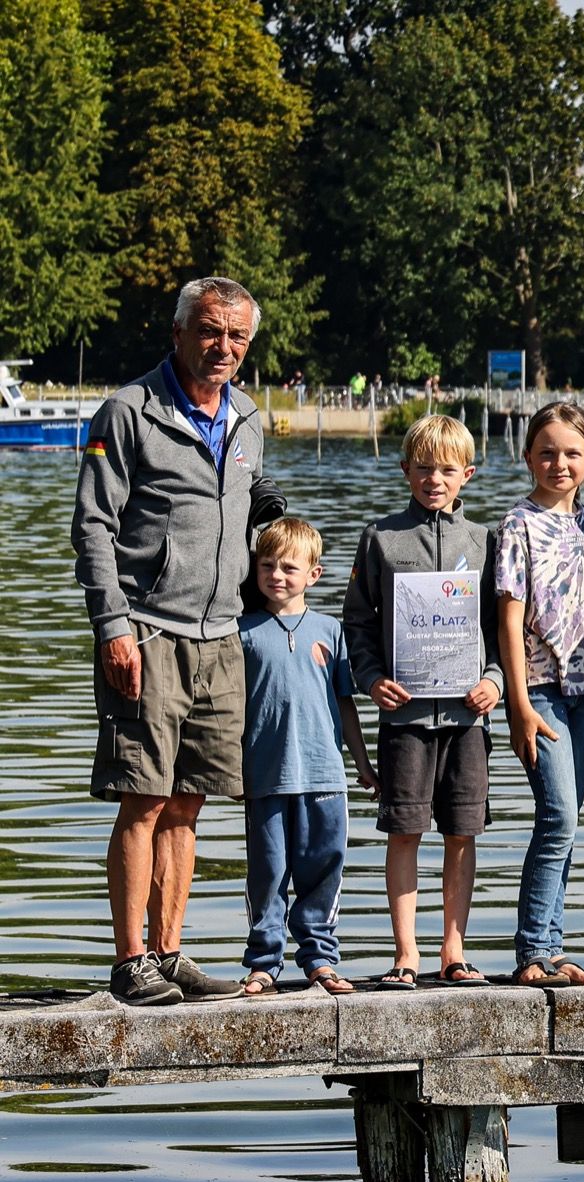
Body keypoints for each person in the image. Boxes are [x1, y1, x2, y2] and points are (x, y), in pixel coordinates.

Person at [72, 275, 279, 1004]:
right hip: (149, 632)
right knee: (145, 797)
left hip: (221, 636)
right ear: (180, 332)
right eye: (210, 332)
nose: (223, 348)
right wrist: (113, 627)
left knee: (189, 802)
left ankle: (169, 953)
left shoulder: (249, 416)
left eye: (237, 337)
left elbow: (237, 503)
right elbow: (94, 527)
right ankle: (130, 961)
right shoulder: (125, 413)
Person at [343, 415, 504, 988]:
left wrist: (495, 681)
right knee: (404, 830)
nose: (434, 479)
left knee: (462, 833)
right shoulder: (381, 538)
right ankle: (406, 954)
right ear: (406, 469)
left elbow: (502, 626)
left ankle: (453, 951)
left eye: (446, 469)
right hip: (405, 717)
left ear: (467, 474)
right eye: (423, 468)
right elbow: (357, 624)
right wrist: (370, 680)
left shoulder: (485, 540)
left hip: (467, 716)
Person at [496, 403, 584, 987]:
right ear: (528, 459)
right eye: (546, 452)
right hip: (538, 691)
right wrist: (516, 705)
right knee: (559, 815)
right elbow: (509, 620)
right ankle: (532, 952)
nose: (558, 463)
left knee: (566, 822)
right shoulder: (517, 524)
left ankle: (552, 946)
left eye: (571, 453)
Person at [238, 518, 376, 995]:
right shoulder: (243, 633)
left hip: (324, 776)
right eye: (267, 565)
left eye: (289, 568)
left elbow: (345, 704)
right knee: (268, 872)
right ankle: (263, 960)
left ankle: (319, 956)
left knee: (324, 865)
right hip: (265, 777)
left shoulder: (330, 630)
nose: (277, 575)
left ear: (314, 574)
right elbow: (233, 709)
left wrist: (361, 762)